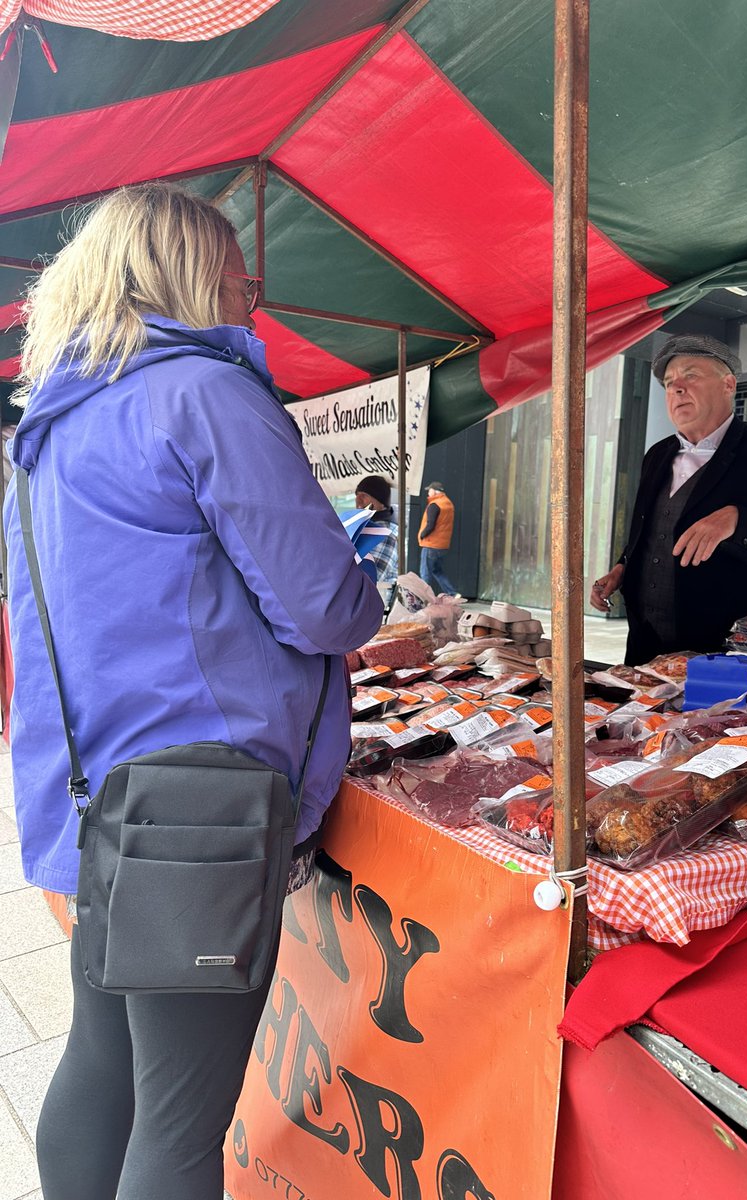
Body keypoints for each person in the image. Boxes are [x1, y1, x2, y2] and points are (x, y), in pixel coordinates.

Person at [2, 183, 383, 1200]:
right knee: (178, 1126)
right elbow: (325, 608)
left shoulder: (48, 429)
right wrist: (374, 595)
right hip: (201, 807)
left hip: (94, 790)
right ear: (181, 272)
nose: (249, 300)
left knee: (104, 1062)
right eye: (236, 275)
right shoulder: (204, 392)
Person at [590, 333, 747, 665]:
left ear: (728, 384)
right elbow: (652, 530)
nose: (676, 388)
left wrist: (737, 521)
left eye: (691, 375)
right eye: (669, 383)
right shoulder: (657, 454)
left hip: (729, 654)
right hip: (646, 649)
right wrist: (623, 567)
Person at [354, 474, 398, 587]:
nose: (357, 500)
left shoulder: (386, 533)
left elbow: (373, 577)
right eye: (357, 495)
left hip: (378, 600)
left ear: (380, 501)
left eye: (363, 495)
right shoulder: (364, 528)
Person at [417, 480, 458, 596]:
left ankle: (424, 597)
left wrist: (422, 535)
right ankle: (453, 594)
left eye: (429, 491)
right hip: (442, 545)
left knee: (425, 573)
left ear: (435, 491)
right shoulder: (448, 503)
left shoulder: (434, 505)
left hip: (431, 543)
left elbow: (430, 525)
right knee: (437, 571)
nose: (428, 493)